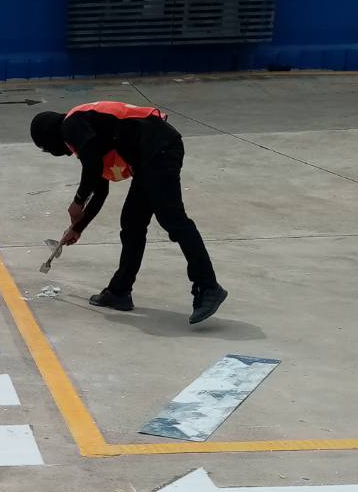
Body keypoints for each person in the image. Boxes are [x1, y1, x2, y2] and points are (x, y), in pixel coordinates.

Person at [30, 102, 228, 325]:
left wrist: (77, 202)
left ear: (49, 137)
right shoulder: (91, 132)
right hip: (149, 157)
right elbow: (100, 188)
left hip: (159, 150)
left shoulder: (71, 124)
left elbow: (92, 168)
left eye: (46, 148)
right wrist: (78, 228)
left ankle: (208, 286)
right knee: (132, 223)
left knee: (174, 220)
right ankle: (119, 292)